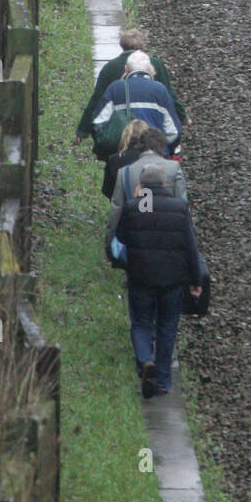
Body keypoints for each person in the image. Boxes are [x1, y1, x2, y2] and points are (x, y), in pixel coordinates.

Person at [117, 163, 202, 397]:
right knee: (167, 328)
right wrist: (196, 280)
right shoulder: (179, 207)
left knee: (141, 323)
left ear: (141, 186)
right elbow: (190, 247)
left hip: (141, 277)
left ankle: (145, 360)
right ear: (164, 184)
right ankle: (163, 381)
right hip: (172, 280)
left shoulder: (134, 207)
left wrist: (136, 200)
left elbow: (121, 235)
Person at [76, 28, 188, 142]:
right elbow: (169, 94)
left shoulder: (110, 67)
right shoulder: (156, 64)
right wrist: (183, 117)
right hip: (151, 122)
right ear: (143, 44)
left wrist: (83, 130)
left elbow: (97, 99)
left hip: (121, 127)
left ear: (122, 44)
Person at [105, 126, 188, 257]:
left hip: (136, 241)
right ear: (161, 145)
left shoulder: (125, 172)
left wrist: (110, 243)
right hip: (167, 238)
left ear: (140, 145)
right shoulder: (174, 167)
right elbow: (183, 206)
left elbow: (116, 210)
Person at [92, 50, 181, 154]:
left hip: (122, 154)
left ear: (126, 69)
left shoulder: (115, 88)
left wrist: (108, 148)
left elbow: (98, 123)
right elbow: (173, 131)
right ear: (149, 69)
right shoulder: (159, 90)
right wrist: (164, 149)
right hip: (155, 155)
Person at [102, 118, 149, 201]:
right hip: (148, 206)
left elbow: (107, 190)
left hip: (124, 207)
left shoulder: (114, 159)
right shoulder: (153, 159)